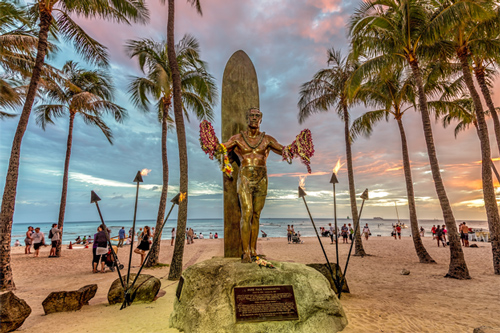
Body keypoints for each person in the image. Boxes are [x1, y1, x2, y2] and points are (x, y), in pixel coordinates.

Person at [221, 108, 287, 263]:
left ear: (261, 119)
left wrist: (297, 147)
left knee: (256, 215)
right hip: (244, 177)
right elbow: (223, 147)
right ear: (247, 118)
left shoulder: (267, 139)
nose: (254, 118)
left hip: (262, 178)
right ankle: (245, 252)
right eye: (252, 115)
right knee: (247, 212)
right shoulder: (238, 138)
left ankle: (253, 249)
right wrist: (210, 142)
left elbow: (284, 150)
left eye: (257, 116)